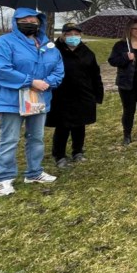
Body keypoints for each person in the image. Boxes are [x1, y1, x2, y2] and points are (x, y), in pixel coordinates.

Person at [0, 7, 64, 196]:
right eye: (25, 20)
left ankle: (34, 172)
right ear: (16, 21)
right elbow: (1, 70)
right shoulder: (4, 43)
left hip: (38, 100)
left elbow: (58, 69)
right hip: (11, 100)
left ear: (40, 23)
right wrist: (31, 81)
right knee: (9, 139)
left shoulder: (48, 46)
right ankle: (5, 178)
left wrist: (48, 82)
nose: (30, 23)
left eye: (34, 21)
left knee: (36, 138)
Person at [46, 22, 104, 169]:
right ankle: (59, 155)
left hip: (83, 94)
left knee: (80, 125)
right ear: (63, 36)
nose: (73, 37)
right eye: (69, 34)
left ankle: (77, 151)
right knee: (63, 126)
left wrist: (98, 93)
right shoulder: (53, 51)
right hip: (61, 95)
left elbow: (95, 75)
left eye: (76, 34)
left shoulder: (87, 52)